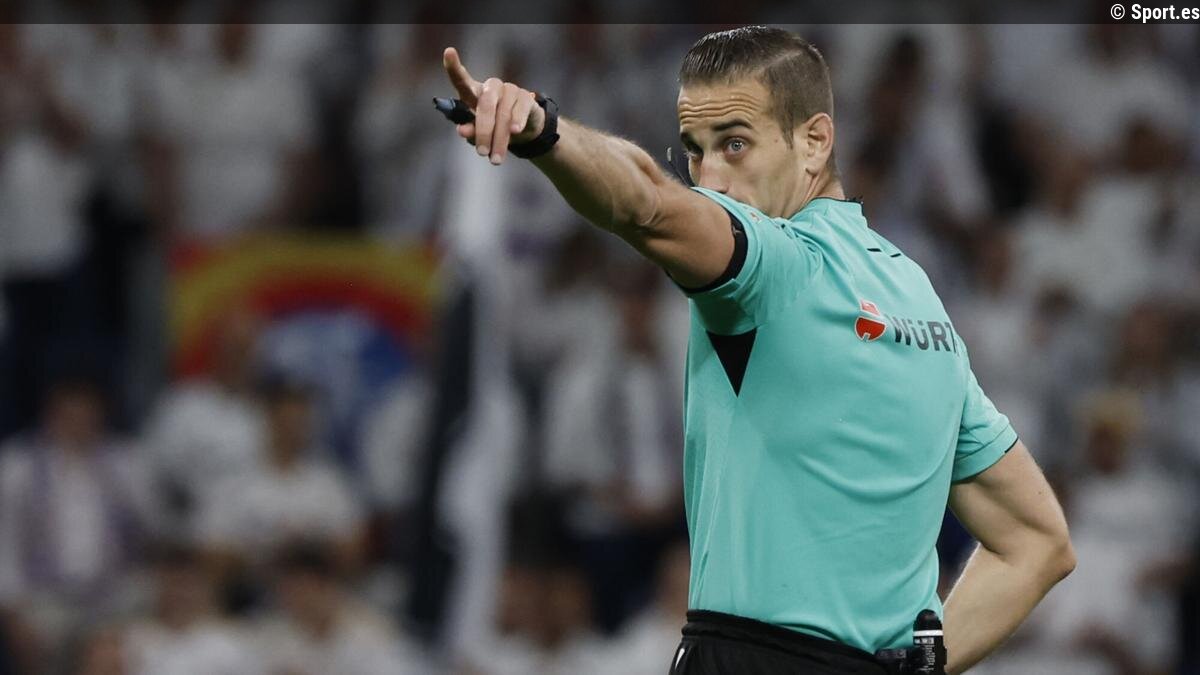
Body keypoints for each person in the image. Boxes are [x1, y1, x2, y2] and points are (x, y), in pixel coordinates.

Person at [437, 25, 1075, 674]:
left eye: (735, 143)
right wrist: (925, 664)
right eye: (694, 151)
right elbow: (1038, 542)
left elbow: (648, 203)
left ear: (815, 141)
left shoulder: (776, 265)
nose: (710, 179)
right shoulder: (919, 298)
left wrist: (545, 131)